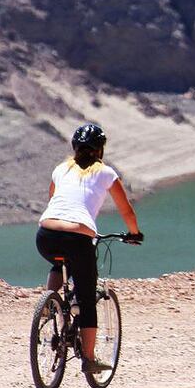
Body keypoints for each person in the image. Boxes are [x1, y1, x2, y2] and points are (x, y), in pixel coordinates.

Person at [36, 123, 142, 373]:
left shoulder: (61, 169)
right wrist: (135, 233)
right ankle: (89, 358)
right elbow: (126, 209)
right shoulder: (106, 173)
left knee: (59, 261)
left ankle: (49, 307)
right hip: (78, 237)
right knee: (86, 298)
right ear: (100, 150)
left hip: (46, 234)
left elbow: (53, 198)